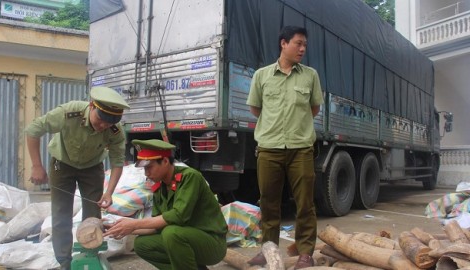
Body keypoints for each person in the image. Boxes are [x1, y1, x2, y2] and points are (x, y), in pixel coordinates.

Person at [25, 86, 130, 269]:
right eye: (101, 119)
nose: (103, 126)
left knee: (93, 216)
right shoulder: (69, 112)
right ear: (92, 106)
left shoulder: (115, 131)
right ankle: (65, 263)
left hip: (92, 168)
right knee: (61, 215)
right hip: (62, 165)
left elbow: (117, 162)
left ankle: (90, 257)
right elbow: (33, 130)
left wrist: (109, 193)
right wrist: (36, 166)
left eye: (109, 123)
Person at [246, 25, 324, 269]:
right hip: (269, 148)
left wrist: (296, 127)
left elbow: (314, 109)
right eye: (298, 43)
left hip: (301, 149)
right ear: (283, 43)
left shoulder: (310, 75)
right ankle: (267, 249)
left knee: (305, 203)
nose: (302, 49)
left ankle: (304, 253)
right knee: (268, 202)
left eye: (304, 45)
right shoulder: (262, 76)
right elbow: (256, 109)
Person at [103, 139, 228, 270]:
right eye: (144, 168)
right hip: (186, 239)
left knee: (171, 233)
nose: (146, 173)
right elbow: (156, 226)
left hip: (212, 243)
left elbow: (178, 216)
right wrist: (119, 227)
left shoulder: (190, 177)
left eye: (149, 167)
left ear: (165, 161)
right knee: (142, 244)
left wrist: (134, 224)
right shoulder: (160, 187)